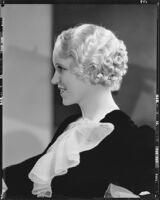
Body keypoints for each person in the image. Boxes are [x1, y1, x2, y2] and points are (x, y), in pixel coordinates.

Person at [2, 24, 155, 199]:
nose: (54, 80)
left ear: (90, 70)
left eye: (61, 69)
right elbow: (37, 169)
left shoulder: (134, 139)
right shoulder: (70, 125)